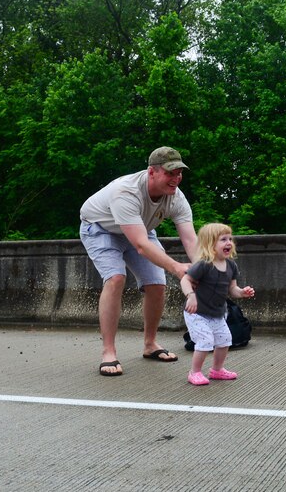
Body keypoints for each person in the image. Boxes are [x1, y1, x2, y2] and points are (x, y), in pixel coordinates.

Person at [80, 146, 198, 376]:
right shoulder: (126, 192)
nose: (176, 179)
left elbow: (190, 239)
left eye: (179, 173)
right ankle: (108, 352)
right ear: (151, 172)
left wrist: (205, 270)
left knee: (157, 283)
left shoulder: (176, 198)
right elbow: (142, 246)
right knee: (115, 278)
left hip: (139, 229)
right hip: (100, 228)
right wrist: (178, 268)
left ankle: (150, 343)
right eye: (170, 173)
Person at [180, 223, 255, 385]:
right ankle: (195, 372)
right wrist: (191, 296)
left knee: (225, 340)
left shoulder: (231, 266)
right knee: (205, 341)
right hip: (197, 312)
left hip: (217, 313)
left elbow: (232, 289)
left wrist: (242, 292)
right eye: (223, 239)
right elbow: (185, 280)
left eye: (230, 239)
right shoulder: (204, 265)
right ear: (210, 244)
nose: (229, 242)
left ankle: (217, 370)